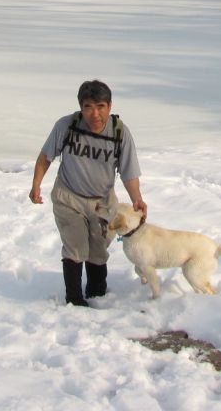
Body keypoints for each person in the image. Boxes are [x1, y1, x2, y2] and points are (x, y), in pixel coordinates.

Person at [29, 80, 147, 307]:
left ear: (109, 106)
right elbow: (45, 157)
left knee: (98, 248)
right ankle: (74, 299)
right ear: (80, 108)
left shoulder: (120, 133)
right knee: (76, 246)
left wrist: (137, 199)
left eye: (100, 106)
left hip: (102, 201)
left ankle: (97, 294)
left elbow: (128, 171)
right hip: (69, 196)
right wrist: (36, 184)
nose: (95, 114)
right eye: (88, 107)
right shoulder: (67, 126)